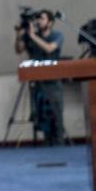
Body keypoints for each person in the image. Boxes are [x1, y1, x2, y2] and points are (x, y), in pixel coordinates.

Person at [14, 9, 65, 145]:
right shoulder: (32, 36)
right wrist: (19, 35)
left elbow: (49, 48)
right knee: (43, 121)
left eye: (42, 18)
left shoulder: (57, 35)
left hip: (53, 83)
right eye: (38, 19)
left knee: (57, 119)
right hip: (37, 84)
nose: (39, 21)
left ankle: (61, 147)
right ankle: (47, 147)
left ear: (51, 22)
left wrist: (31, 35)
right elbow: (19, 49)